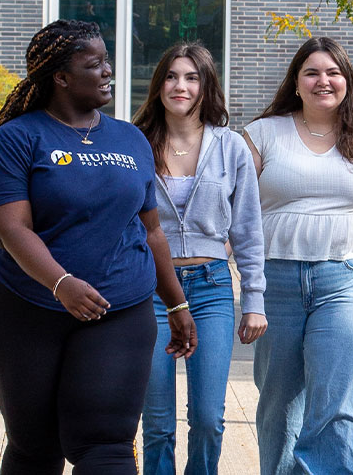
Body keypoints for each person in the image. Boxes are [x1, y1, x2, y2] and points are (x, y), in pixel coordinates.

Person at [0, 20, 197, 474]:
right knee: (36, 445)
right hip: (25, 307)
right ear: (61, 77)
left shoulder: (129, 139)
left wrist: (176, 304)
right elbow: (11, 229)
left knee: (107, 443)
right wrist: (62, 283)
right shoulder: (15, 140)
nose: (108, 71)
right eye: (95, 64)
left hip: (119, 305)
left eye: (107, 60)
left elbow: (151, 231)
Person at [243, 36, 353, 475]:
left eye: (333, 72)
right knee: (278, 400)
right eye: (312, 72)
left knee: (335, 399)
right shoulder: (262, 134)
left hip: (352, 277)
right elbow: (233, 208)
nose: (323, 81)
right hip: (275, 280)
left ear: (347, 81)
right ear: (296, 82)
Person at [133, 43, 267, 475]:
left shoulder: (231, 147)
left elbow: (247, 230)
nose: (180, 86)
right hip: (150, 288)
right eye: (171, 76)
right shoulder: (136, 145)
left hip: (210, 288)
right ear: (158, 85)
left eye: (192, 77)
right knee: (155, 422)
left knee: (208, 418)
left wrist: (254, 299)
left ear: (207, 86)